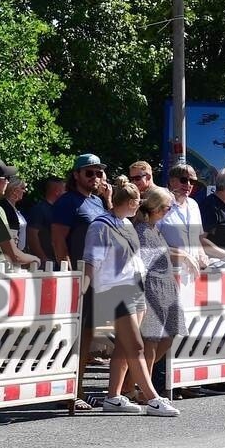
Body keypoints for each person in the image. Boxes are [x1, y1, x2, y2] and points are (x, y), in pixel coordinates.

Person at [83, 177, 179, 416]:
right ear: (127, 201)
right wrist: (84, 291)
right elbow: (91, 262)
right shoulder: (100, 226)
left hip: (133, 289)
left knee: (125, 349)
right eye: (137, 201)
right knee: (136, 346)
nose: (140, 205)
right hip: (114, 292)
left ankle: (113, 396)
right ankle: (152, 397)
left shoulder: (126, 224)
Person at [52, 153, 110, 411]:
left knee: (86, 335)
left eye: (99, 172)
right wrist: (67, 273)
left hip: (99, 276)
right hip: (78, 275)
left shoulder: (97, 201)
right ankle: (68, 391)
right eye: (89, 172)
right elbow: (58, 239)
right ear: (76, 175)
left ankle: (79, 388)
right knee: (73, 335)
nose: (95, 177)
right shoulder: (68, 202)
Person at [133, 187, 192, 402]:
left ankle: (137, 381)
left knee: (168, 336)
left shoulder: (154, 228)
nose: (169, 211)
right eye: (167, 208)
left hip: (166, 287)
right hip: (152, 289)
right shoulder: (141, 231)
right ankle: (144, 389)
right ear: (156, 208)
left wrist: (184, 255)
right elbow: (143, 267)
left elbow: (163, 253)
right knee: (151, 341)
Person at [26, 176, 64, 265]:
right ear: (57, 191)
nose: (66, 193)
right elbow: (32, 234)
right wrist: (43, 258)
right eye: (65, 190)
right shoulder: (39, 209)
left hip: (58, 262)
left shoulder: (58, 210)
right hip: (45, 263)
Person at [0, 177, 28, 252]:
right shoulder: (5, 208)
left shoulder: (13, 207)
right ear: (14, 190)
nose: (25, 191)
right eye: (22, 188)